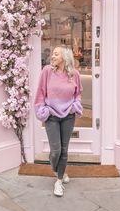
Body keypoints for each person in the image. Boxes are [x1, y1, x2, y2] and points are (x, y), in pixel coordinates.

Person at [34, 45, 83, 197]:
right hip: (52, 115)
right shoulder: (47, 71)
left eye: (56, 54)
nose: (52, 56)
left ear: (64, 57)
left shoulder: (74, 74)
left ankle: (59, 180)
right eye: (53, 54)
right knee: (56, 151)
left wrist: (75, 106)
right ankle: (58, 170)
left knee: (64, 150)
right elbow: (41, 92)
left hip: (68, 115)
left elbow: (78, 93)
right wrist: (42, 109)